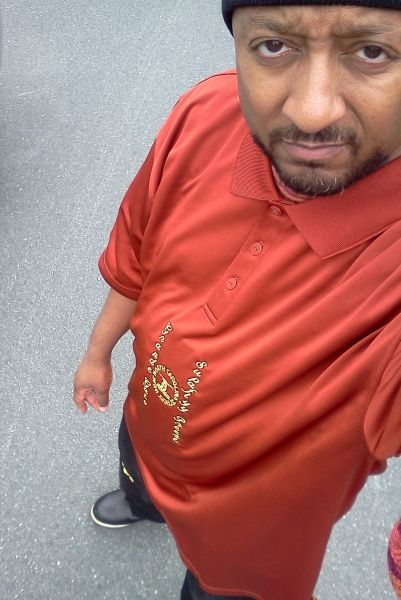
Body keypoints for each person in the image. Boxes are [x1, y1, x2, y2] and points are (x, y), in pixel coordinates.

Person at [73, 1, 401, 599]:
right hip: (146, 419)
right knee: (138, 472)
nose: (310, 111)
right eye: (274, 45)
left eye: (372, 51)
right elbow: (134, 255)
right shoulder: (206, 114)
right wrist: (97, 353)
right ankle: (144, 501)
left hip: (249, 537)